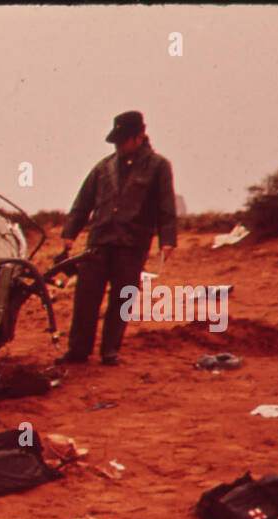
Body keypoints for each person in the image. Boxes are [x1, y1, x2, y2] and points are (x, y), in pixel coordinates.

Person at [57, 111, 177, 365]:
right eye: (116, 141)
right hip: (99, 242)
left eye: (123, 141)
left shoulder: (158, 166)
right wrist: (69, 234)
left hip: (132, 244)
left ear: (139, 137)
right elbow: (83, 202)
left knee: (122, 299)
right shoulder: (103, 167)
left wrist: (167, 240)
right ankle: (78, 351)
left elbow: (166, 206)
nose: (118, 146)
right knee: (86, 298)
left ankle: (110, 351)